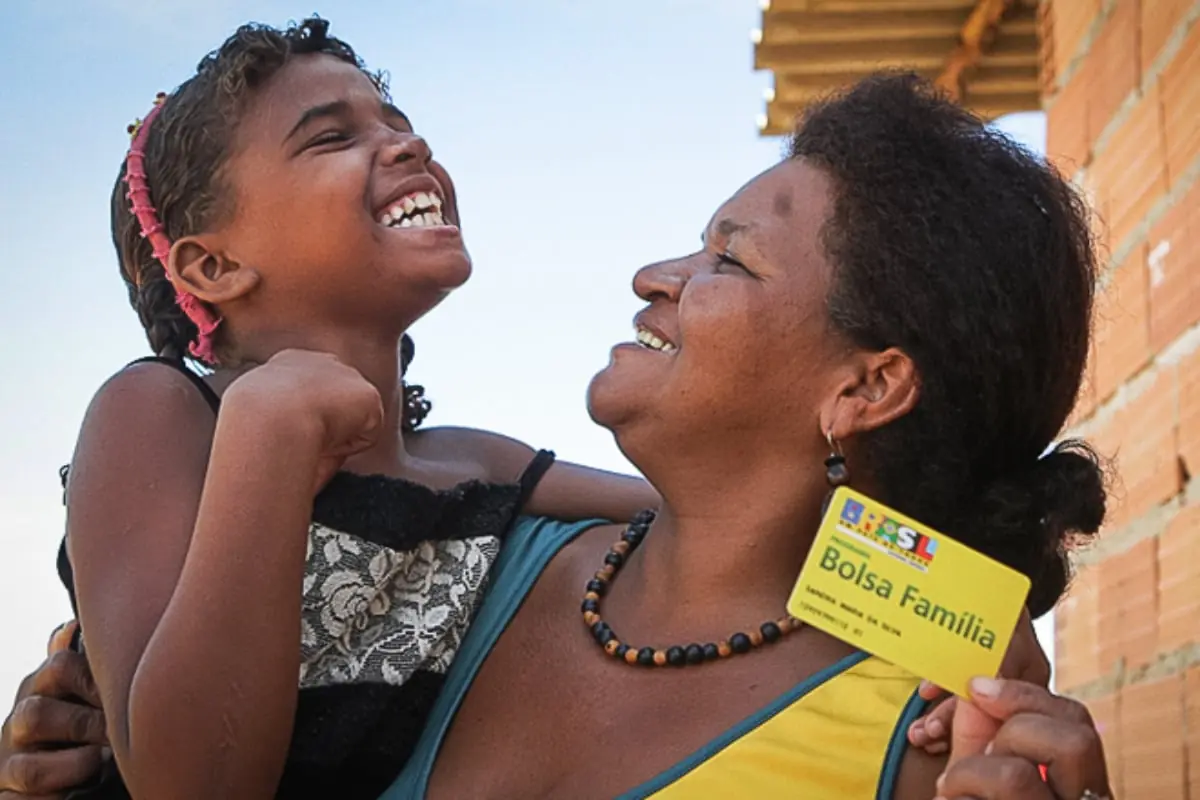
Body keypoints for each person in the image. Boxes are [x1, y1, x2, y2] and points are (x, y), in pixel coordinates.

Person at [0, 42, 1111, 800]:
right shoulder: (475, 557)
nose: (652, 274)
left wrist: (976, 622)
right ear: (212, 264)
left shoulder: (922, 747)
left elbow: (726, 523)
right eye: (330, 136)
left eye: (729, 259)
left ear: (866, 388)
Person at [55, 17, 658, 800]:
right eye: (332, 138)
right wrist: (267, 435)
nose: (411, 146)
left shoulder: (476, 462)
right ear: (214, 266)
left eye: (397, 124)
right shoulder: (161, 412)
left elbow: (709, 519)